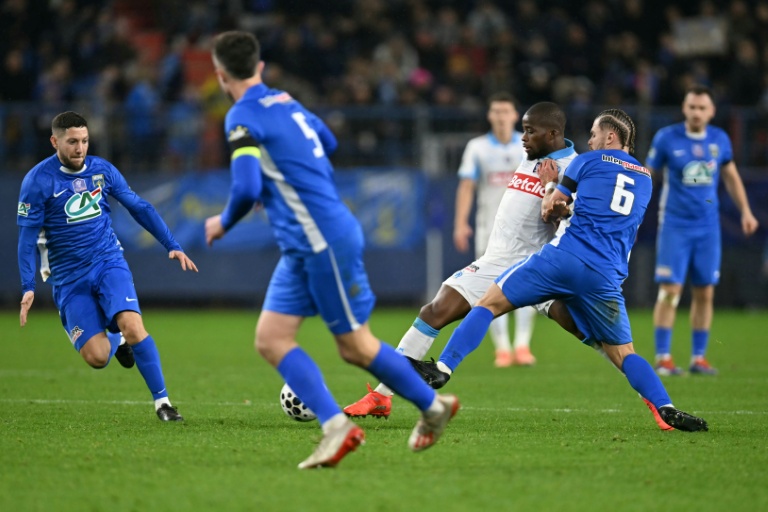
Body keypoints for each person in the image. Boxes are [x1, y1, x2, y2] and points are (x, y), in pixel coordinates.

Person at [203, 31, 459, 470]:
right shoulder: (284, 100)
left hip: (319, 238)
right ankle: (336, 427)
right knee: (271, 339)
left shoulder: (240, 116)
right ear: (260, 67)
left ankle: (433, 406)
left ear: (220, 74)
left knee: (355, 346)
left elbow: (245, 187)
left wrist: (223, 221)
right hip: (300, 244)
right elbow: (328, 141)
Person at [408, 109, 709, 433]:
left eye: (594, 135)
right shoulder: (646, 178)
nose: (590, 141)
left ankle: (443, 368)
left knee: (488, 303)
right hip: (606, 276)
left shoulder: (586, 161)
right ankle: (666, 407)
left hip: (563, 259)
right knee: (623, 353)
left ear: (610, 137)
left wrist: (551, 184)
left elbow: (551, 207)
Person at [344, 101, 578, 418]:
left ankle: (656, 401)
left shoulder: (573, 168)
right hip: (496, 259)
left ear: (552, 133)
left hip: (537, 267)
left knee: (592, 333)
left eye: (528, 131)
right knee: (435, 310)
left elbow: (565, 215)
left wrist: (551, 187)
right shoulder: (530, 153)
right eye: (522, 129)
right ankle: (382, 396)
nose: (522, 137)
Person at [17, 111, 197, 422]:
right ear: (54, 141)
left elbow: (139, 206)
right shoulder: (38, 181)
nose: (80, 148)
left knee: (133, 324)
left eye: (85, 141)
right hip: (68, 278)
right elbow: (27, 238)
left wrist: (172, 245)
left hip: (108, 262)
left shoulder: (102, 171)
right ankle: (117, 340)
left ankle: (163, 403)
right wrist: (28, 286)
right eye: (72, 141)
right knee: (98, 358)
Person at [647, 85, 759, 376]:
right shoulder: (667, 138)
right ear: (684, 108)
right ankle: (664, 357)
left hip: (708, 228)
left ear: (711, 111)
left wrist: (746, 211)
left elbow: (731, 175)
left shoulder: (719, 139)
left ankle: (698, 358)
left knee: (705, 292)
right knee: (670, 291)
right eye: (691, 107)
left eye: (702, 108)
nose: (696, 112)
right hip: (674, 224)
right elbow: (649, 175)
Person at [452, 92, 537, 367]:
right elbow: (466, 186)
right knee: (489, 287)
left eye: (505, 112)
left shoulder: (528, 147)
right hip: (489, 227)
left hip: (525, 229)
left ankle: (522, 345)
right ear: (490, 116)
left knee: (527, 285)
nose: (501, 117)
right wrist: (460, 223)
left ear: (515, 116)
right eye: (496, 112)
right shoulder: (477, 148)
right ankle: (502, 348)